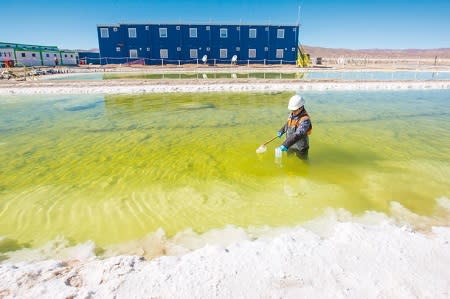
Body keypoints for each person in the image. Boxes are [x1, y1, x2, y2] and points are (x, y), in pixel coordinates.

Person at [276, 94, 312, 160]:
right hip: (290, 145)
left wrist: (285, 144)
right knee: (289, 160)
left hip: (300, 147)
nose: (292, 112)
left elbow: (299, 134)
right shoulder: (293, 113)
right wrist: (281, 131)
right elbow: (288, 124)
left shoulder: (305, 120)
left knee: (303, 163)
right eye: (292, 110)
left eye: (294, 110)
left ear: (300, 108)